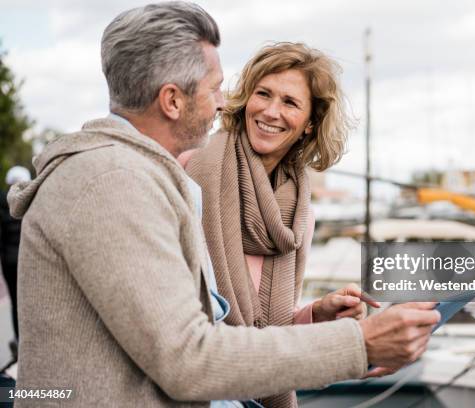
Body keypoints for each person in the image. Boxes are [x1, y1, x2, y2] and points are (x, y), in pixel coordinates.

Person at [8, 2, 440, 407]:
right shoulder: (115, 181)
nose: (222, 102)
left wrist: (315, 319)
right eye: (215, 88)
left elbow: (197, 329)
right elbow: (188, 357)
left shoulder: (138, 175)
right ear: (173, 100)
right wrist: (358, 344)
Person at [182, 43, 374, 406]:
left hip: (254, 390)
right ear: (246, 99)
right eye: (263, 94)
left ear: (309, 125)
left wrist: (318, 314)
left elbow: (275, 328)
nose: (271, 111)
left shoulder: (299, 214)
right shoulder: (191, 171)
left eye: (290, 102)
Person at [0, 166, 31, 360]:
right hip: (28, 259)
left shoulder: (2, 203)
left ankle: (19, 340)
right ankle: (31, 344)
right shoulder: (32, 200)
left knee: (15, 302)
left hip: (8, 260)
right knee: (31, 301)